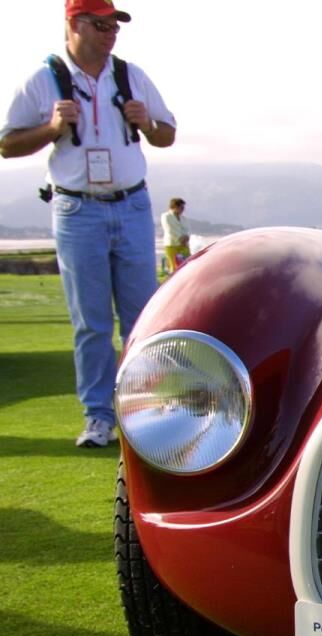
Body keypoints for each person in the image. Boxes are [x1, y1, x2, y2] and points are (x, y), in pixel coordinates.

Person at [0, 0, 177, 448]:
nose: (110, 33)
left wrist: (148, 123)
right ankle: (98, 417)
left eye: (114, 25)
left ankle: (145, 413)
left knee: (142, 317)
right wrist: (51, 129)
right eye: (100, 25)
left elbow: (167, 134)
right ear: (73, 25)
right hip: (77, 210)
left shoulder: (130, 75)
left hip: (132, 205)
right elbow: (6, 144)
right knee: (92, 322)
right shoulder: (43, 80)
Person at [161, 197, 190, 273]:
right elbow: (169, 229)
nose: (183, 209)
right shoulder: (166, 216)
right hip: (172, 244)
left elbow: (186, 229)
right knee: (174, 267)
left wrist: (186, 237)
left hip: (183, 245)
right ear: (175, 207)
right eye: (181, 207)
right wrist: (180, 238)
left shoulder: (184, 218)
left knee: (187, 264)